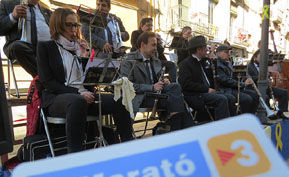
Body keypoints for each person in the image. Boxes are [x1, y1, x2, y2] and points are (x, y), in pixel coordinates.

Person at [37, 8, 134, 153]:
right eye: (69, 25)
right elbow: (48, 82)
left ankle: (129, 147)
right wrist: (77, 93)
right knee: (77, 100)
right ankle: (76, 155)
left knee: (119, 99)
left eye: (76, 25)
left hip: (83, 95)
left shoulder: (79, 47)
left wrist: (85, 58)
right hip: (57, 97)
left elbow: (88, 82)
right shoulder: (46, 47)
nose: (74, 29)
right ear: (58, 25)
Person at [122, 31, 194, 131]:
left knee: (175, 88)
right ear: (143, 45)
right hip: (141, 96)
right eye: (153, 45)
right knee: (178, 100)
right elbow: (126, 85)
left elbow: (158, 78)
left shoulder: (155, 60)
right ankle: (182, 129)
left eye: (156, 45)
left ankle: (177, 128)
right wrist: (151, 87)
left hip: (156, 95)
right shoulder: (129, 60)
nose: (156, 48)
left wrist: (165, 80)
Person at [178, 36, 235, 120]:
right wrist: (206, 89)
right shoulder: (185, 64)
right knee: (221, 100)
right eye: (205, 48)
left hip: (207, 92)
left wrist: (214, 62)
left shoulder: (204, 61)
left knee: (231, 98)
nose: (207, 50)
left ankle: (233, 125)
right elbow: (187, 84)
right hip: (195, 95)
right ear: (199, 50)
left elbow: (213, 76)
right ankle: (222, 128)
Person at [0, 0, 51, 77]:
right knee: (17, 46)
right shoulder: (7, 5)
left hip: (46, 48)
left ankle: (45, 82)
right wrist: (13, 16)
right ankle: (46, 80)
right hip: (23, 47)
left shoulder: (48, 12)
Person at [215, 45, 259, 114]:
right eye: (226, 52)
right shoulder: (217, 64)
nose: (229, 54)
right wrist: (242, 84)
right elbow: (225, 80)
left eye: (229, 52)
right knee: (247, 99)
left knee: (255, 95)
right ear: (219, 53)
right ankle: (243, 118)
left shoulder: (227, 63)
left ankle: (251, 116)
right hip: (226, 89)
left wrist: (241, 75)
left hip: (233, 88)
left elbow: (233, 77)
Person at [130, 18, 177, 82]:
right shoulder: (136, 33)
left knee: (171, 65)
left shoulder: (153, 36)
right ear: (141, 26)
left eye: (151, 25)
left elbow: (159, 52)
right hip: (141, 60)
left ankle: (171, 83)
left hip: (155, 60)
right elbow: (136, 45)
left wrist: (159, 43)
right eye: (148, 25)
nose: (150, 27)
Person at [247, 49, 289, 120]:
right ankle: (266, 115)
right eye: (261, 57)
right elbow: (250, 78)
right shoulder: (249, 67)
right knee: (266, 96)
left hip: (265, 87)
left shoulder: (264, 67)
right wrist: (262, 79)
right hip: (255, 88)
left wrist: (269, 80)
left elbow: (268, 77)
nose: (263, 59)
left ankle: (280, 113)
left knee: (284, 92)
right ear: (255, 57)